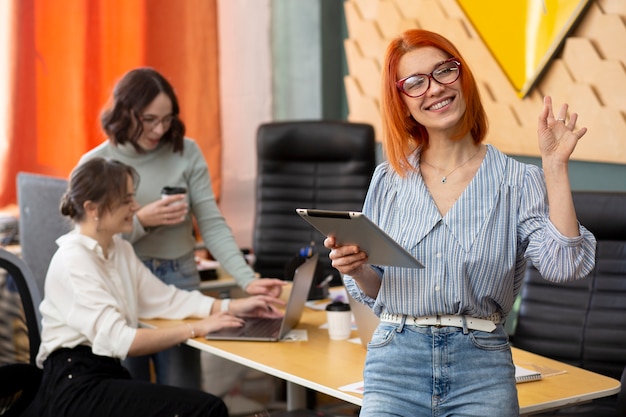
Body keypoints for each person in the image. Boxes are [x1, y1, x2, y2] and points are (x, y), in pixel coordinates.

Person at [324, 29, 597, 417]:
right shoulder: (389, 180)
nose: (434, 88)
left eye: (444, 72)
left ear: (462, 78)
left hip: (481, 368)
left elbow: (566, 265)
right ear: (402, 103)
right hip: (395, 365)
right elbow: (378, 290)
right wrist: (359, 267)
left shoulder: (518, 181)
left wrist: (554, 167)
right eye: (415, 83)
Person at [23, 157, 284, 417]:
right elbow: (122, 341)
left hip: (102, 374)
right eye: (126, 200)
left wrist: (234, 306)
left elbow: (163, 299)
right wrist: (196, 328)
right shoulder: (73, 259)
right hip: (74, 386)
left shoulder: (119, 249)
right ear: (93, 208)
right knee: (206, 408)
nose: (136, 207)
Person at [79, 67, 286, 389]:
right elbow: (91, 238)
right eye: (149, 120)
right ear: (124, 112)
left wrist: (247, 280)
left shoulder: (186, 152)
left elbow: (212, 223)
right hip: (123, 279)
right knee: (128, 389)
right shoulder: (98, 164)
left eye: (167, 119)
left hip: (179, 275)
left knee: (182, 388)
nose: (160, 129)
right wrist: (142, 222)